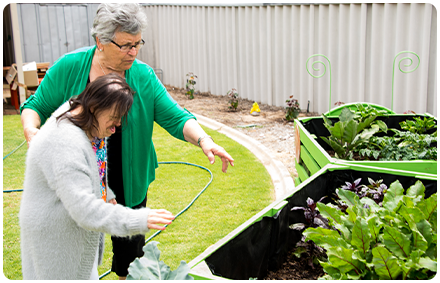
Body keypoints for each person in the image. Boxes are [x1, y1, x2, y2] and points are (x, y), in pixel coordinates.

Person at [19, 3, 234, 280]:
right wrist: (31, 131)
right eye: (125, 45)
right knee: (79, 246)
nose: (133, 52)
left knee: (129, 261)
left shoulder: (143, 76)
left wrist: (204, 140)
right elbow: (35, 106)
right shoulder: (70, 67)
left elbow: (176, 117)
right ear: (100, 41)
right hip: (81, 175)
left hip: (129, 180)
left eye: (137, 43)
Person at [19, 74, 176, 280]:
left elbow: (91, 164)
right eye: (114, 117)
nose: (116, 126)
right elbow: (85, 210)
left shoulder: (80, 115)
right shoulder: (65, 144)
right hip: (56, 244)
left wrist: (104, 190)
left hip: (70, 234)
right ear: (95, 107)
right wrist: (139, 219)